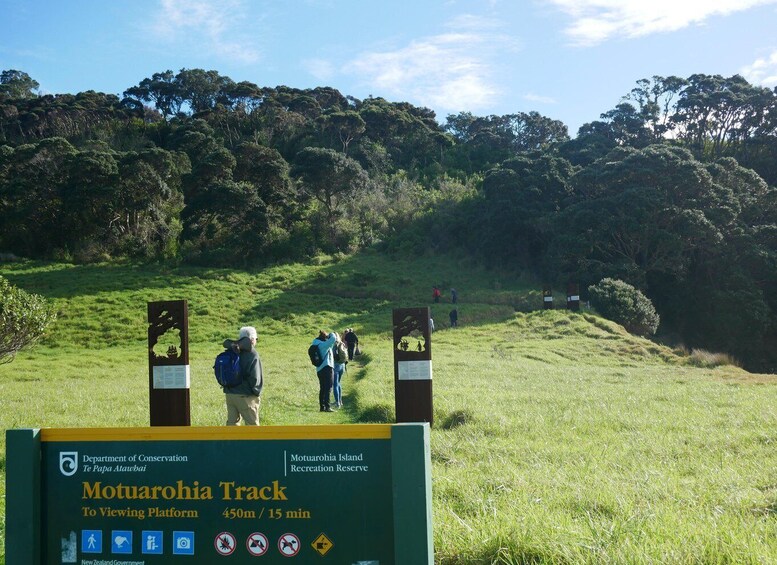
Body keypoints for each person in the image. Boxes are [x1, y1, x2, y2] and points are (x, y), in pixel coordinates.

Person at [222, 326, 263, 425]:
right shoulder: (252, 354)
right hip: (245, 395)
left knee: (232, 428)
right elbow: (255, 378)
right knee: (252, 427)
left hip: (230, 394)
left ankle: (230, 441)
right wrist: (256, 393)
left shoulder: (231, 350)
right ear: (252, 339)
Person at [311, 329, 337, 412]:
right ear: (325, 337)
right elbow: (333, 339)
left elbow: (331, 346)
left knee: (322, 388)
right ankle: (327, 407)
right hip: (327, 367)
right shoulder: (323, 345)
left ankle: (322, 407)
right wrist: (331, 334)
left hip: (319, 369)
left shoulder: (315, 343)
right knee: (328, 387)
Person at [332, 333, 348, 409]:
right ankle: (340, 401)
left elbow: (333, 355)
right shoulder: (342, 343)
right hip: (342, 365)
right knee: (338, 383)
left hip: (336, 365)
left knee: (335, 384)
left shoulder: (334, 345)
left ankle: (337, 403)